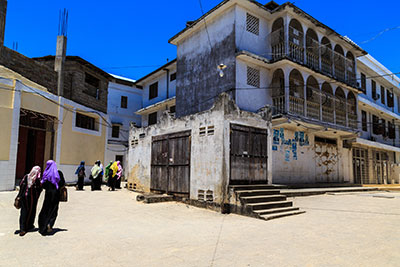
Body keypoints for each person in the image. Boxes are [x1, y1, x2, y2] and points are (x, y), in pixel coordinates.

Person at [38, 160, 65, 236]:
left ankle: (42, 226)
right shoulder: (59, 173)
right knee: (54, 210)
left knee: (45, 209)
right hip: (55, 195)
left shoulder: (45, 174)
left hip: (48, 195)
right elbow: (62, 183)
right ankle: (50, 224)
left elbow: (43, 185)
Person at [17, 166, 42, 236]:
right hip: (32, 198)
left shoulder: (26, 176)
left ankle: (22, 228)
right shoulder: (37, 179)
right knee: (31, 211)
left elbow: (21, 184)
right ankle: (28, 226)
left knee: (24, 212)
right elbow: (40, 188)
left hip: (23, 197)